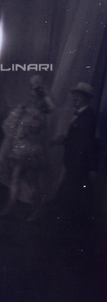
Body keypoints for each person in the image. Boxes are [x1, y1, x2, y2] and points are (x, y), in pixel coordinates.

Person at [0, 76, 55, 220]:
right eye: (31, 95)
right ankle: (10, 206)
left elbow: (40, 135)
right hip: (20, 149)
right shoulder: (24, 109)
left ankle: (37, 209)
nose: (32, 98)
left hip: (32, 151)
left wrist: (28, 131)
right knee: (16, 177)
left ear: (39, 99)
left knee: (32, 180)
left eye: (35, 96)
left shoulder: (40, 115)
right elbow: (12, 126)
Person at [53, 82, 98, 231]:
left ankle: (64, 227)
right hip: (74, 163)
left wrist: (90, 166)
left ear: (85, 98)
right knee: (78, 195)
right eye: (74, 95)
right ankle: (74, 225)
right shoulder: (81, 114)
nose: (74, 99)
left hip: (78, 164)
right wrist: (64, 139)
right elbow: (78, 138)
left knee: (69, 195)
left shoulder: (88, 116)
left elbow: (87, 143)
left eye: (77, 96)